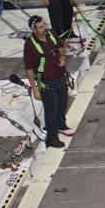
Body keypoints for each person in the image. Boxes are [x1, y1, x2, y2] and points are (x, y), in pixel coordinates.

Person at [23, 15, 74, 149]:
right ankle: (52, 138)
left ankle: (61, 125)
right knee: (50, 110)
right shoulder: (29, 45)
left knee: (62, 102)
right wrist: (35, 89)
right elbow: (29, 69)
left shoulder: (51, 34)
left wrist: (62, 57)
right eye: (40, 27)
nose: (44, 28)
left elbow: (60, 47)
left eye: (44, 24)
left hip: (60, 76)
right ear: (34, 30)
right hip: (46, 82)